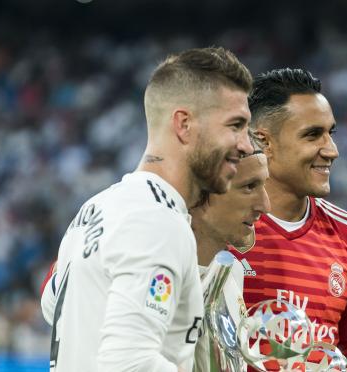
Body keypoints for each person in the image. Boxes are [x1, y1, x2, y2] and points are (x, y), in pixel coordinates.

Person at [40, 47, 254, 372]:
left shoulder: (99, 208)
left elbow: (52, 304)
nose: (246, 145)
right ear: (183, 124)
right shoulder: (157, 221)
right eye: (235, 125)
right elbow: (128, 363)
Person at [228, 68, 347, 371]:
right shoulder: (218, 228)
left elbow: (345, 351)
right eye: (312, 135)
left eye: (330, 133)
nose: (331, 150)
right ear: (264, 142)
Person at [190, 148, 271, 372]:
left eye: (264, 186)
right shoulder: (160, 274)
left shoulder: (233, 271)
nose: (265, 205)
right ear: (200, 192)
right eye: (249, 187)